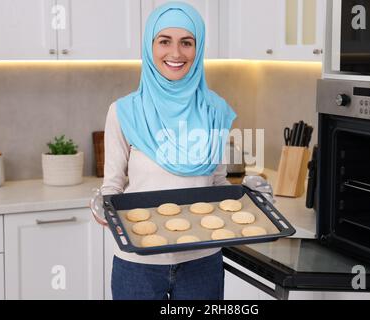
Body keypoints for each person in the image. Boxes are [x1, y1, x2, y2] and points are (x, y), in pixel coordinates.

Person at [96, 2, 237, 300]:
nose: (175, 53)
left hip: (202, 260)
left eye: (187, 42)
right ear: (150, 46)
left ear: (198, 49)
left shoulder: (214, 110)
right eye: (164, 41)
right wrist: (103, 206)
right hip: (139, 262)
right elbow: (112, 185)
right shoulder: (123, 112)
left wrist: (247, 201)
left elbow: (217, 183)